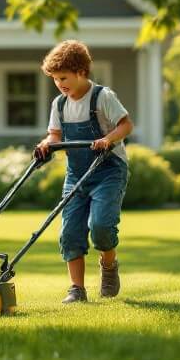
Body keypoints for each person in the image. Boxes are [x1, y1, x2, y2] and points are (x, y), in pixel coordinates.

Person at [34, 40, 134, 304]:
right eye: (55, 79)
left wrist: (108, 139)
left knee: (100, 226)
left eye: (63, 78)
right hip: (77, 174)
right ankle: (76, 289)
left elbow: (125, 125)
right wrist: (46, 144)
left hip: (108, 170)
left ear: (81, 72)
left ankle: (109, 265)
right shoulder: (59, 104)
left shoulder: (103, 97)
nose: (59, 84)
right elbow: (54, 134)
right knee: (70, 232)